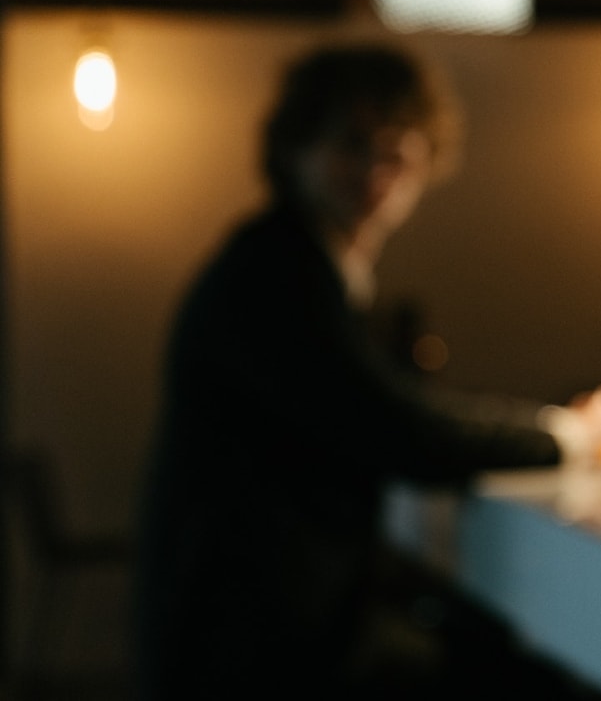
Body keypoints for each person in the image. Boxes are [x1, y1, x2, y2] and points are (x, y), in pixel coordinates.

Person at [134, 44, 567, 699]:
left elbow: (392, 411)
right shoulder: (274, 276)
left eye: (397, 153)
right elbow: (404, 431)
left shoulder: (303, 265)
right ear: (297, 148)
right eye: (352, 144)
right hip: (243, 641)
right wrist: (566, 434)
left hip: (260, 619)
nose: (374, 172)